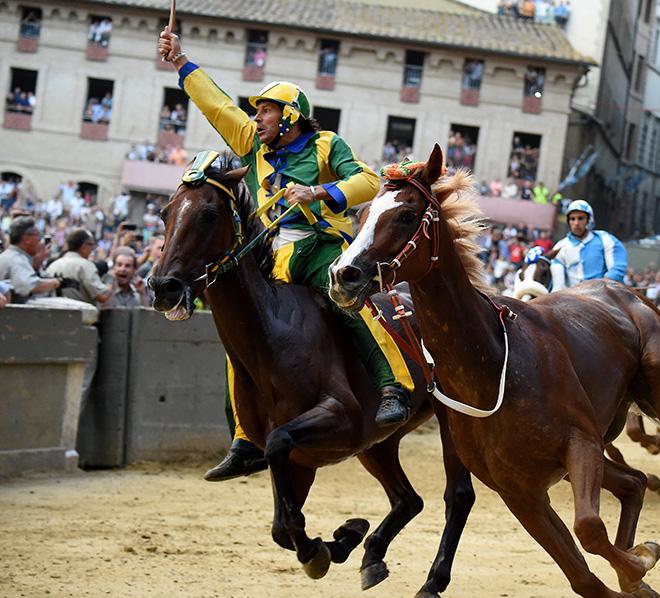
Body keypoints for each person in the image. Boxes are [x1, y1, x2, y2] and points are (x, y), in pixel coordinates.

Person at [158, 27, 414, 480]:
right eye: (256, 112)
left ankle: (393, 385)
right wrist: (181, 62)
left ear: (291, 116)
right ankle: (244, 438)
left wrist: (317, 192)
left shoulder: (325, 144)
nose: (257, 118)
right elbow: (216, 106)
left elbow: (369, 183)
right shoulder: (253, 143)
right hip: (271, 255)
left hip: (321, 247)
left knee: (348, 305)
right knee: (242, 331)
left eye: (266, 111)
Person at [550, 200, 627, 288]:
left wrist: (600, 287)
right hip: (572, 298)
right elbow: (558, 285)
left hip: (604, 295)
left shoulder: (606, 239)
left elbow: (617, 270)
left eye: (580, 218)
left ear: (589, 220)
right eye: (572, 219)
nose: (576, 223)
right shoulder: (560, 246)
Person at [0, 217, 61, 302]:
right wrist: (55, 282)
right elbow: (29, 285)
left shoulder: (6, 255)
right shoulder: (17, 259)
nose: (39, 243)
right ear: (27, 239)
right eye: (38, 238)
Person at [46, 228, 112, 306]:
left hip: (53, 314)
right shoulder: (85, 265)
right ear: (84, 246)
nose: (92, 249)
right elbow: (102, 296)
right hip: (80, 315)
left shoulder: (53, 265)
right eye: (91, 245)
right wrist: (110, 280)